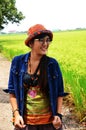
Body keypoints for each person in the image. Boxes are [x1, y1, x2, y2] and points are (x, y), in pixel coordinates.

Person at [8, 24, 67, 130]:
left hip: (49, 123)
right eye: (41, 40)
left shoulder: (52, 64)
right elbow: (12, 92)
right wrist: (16, 115)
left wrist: (58, 115)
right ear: (30, 43)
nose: (45, 44)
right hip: (25, 123)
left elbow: (59, 93)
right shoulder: (17, 62)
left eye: (48, 40)